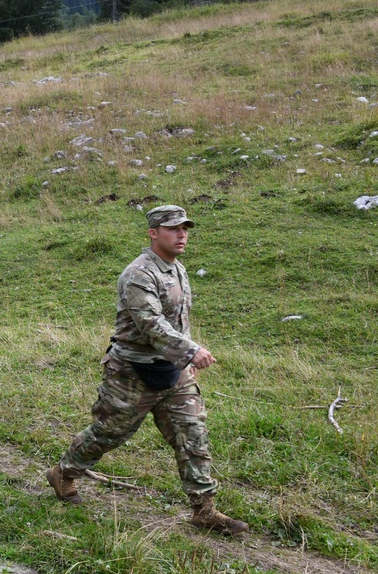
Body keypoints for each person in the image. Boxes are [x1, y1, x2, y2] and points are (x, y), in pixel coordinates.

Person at [47, 205, 249, 535]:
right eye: (173, 229)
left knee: (192, 434)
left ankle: (204, 509)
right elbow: (151, 325)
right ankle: (64, 473)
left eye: (185, 229)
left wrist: (183, 360)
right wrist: (191, 351)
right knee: (110, 433)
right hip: (132, 373)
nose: (181, 234)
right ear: (153, 233)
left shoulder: (177, 269)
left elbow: (177, 322)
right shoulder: (138, 275)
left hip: (172, 371)